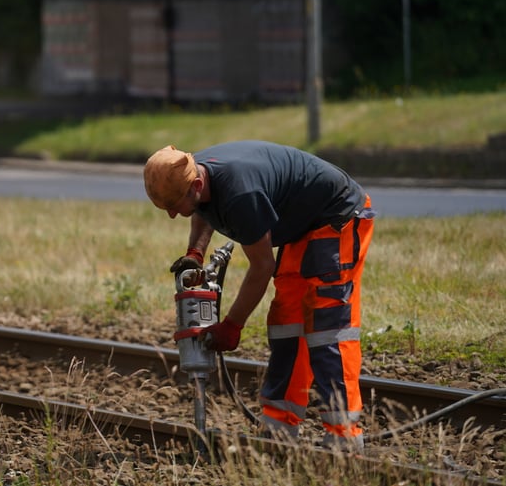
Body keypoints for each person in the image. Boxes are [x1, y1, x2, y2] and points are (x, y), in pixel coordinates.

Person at [143, 141, 374, 450]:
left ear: (196, 184)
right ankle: (280, 426)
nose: (172, 215)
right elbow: (202, 208)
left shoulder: (241, 194)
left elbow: (262, 267)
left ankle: (344, 436)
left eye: (174, 205)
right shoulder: (195, 172)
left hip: (338, 216)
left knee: (327, 326)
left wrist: (232, 325)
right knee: (286, 323)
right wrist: (195, 253)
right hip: (303, 226)